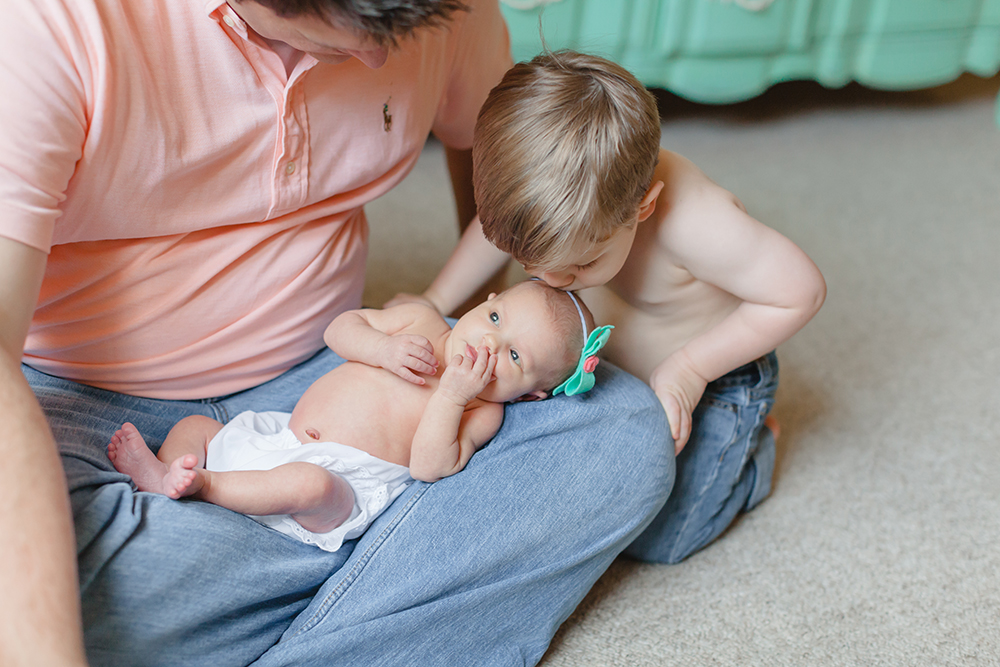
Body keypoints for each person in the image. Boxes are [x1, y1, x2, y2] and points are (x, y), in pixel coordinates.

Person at [0, 2, 670, 664]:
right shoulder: (48, 25)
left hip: (333, 380)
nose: (379, 59)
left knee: (624, 437)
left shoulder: (442, 9)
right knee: (64, 595)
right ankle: (390, 593)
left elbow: (495, 169)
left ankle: (264, 597)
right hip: (87, 397)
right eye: (349, 28)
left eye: (398, 30)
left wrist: (489, 323)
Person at [411, 50, 827, 564]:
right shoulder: (552, 195)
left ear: (643, 207)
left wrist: (691, 370)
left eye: (580, 265)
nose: (550, 280)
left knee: (659, 539)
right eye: (531, 261)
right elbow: (497, 234)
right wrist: (435, 299)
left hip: (709, 386)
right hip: (595, 363)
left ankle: (753, 454)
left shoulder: (697, 223)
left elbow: (800, 290)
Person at [107, 281, 610, 552]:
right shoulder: (420, 320)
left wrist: (450, 397)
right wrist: (382, 348)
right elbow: (339, 329)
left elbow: (429, 466)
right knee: (195, 428)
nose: (488, 344)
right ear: (487, 301)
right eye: (496, 321)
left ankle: (204, 486)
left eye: (515, 358)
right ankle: (163, 474)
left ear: (530, 398)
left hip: (342, 483)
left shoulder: (482, 411)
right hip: (280, 436)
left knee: (307, 484)